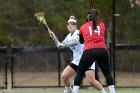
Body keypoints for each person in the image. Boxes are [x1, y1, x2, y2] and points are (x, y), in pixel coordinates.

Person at [50, 15, 106, 93]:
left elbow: (76, 41)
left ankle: (104, 92)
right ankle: (68, 91)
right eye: (68, 24)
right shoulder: (68, 36)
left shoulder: (78, 32)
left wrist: (64, 45)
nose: (70, 25)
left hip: (87, 59)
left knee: (91, 80)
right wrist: (54, 37)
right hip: (76, 61)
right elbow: (60, 45)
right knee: (64, 76)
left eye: (72, 24)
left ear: (75, 25)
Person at [72, 9, 116, 93]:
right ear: (97, 17)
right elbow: (95, 29)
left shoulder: (83, 27)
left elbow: (81, 41)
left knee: (80, 73)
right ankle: (113, 92)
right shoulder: (102, 25)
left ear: (88, 17)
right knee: (107, 73)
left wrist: (80, 34)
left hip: (89, 51)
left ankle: (74, 91)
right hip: (102, 51)